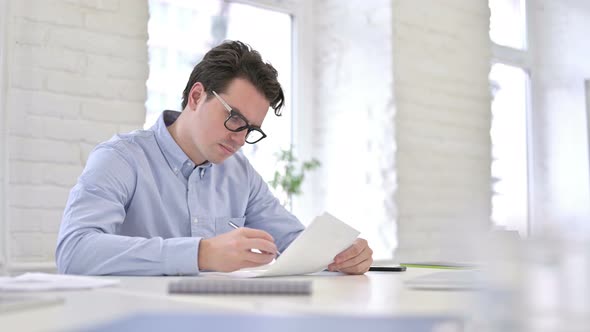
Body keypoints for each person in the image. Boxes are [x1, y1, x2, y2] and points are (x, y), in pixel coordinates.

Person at [56, 40, 373, 276]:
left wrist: (340, 256)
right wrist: (200, 253)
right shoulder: (121, 159)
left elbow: (294, 243)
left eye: (250, 128)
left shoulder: (239, 173)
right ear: (196, 96)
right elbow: (74, 251)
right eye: (234, 117)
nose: (239, 137)